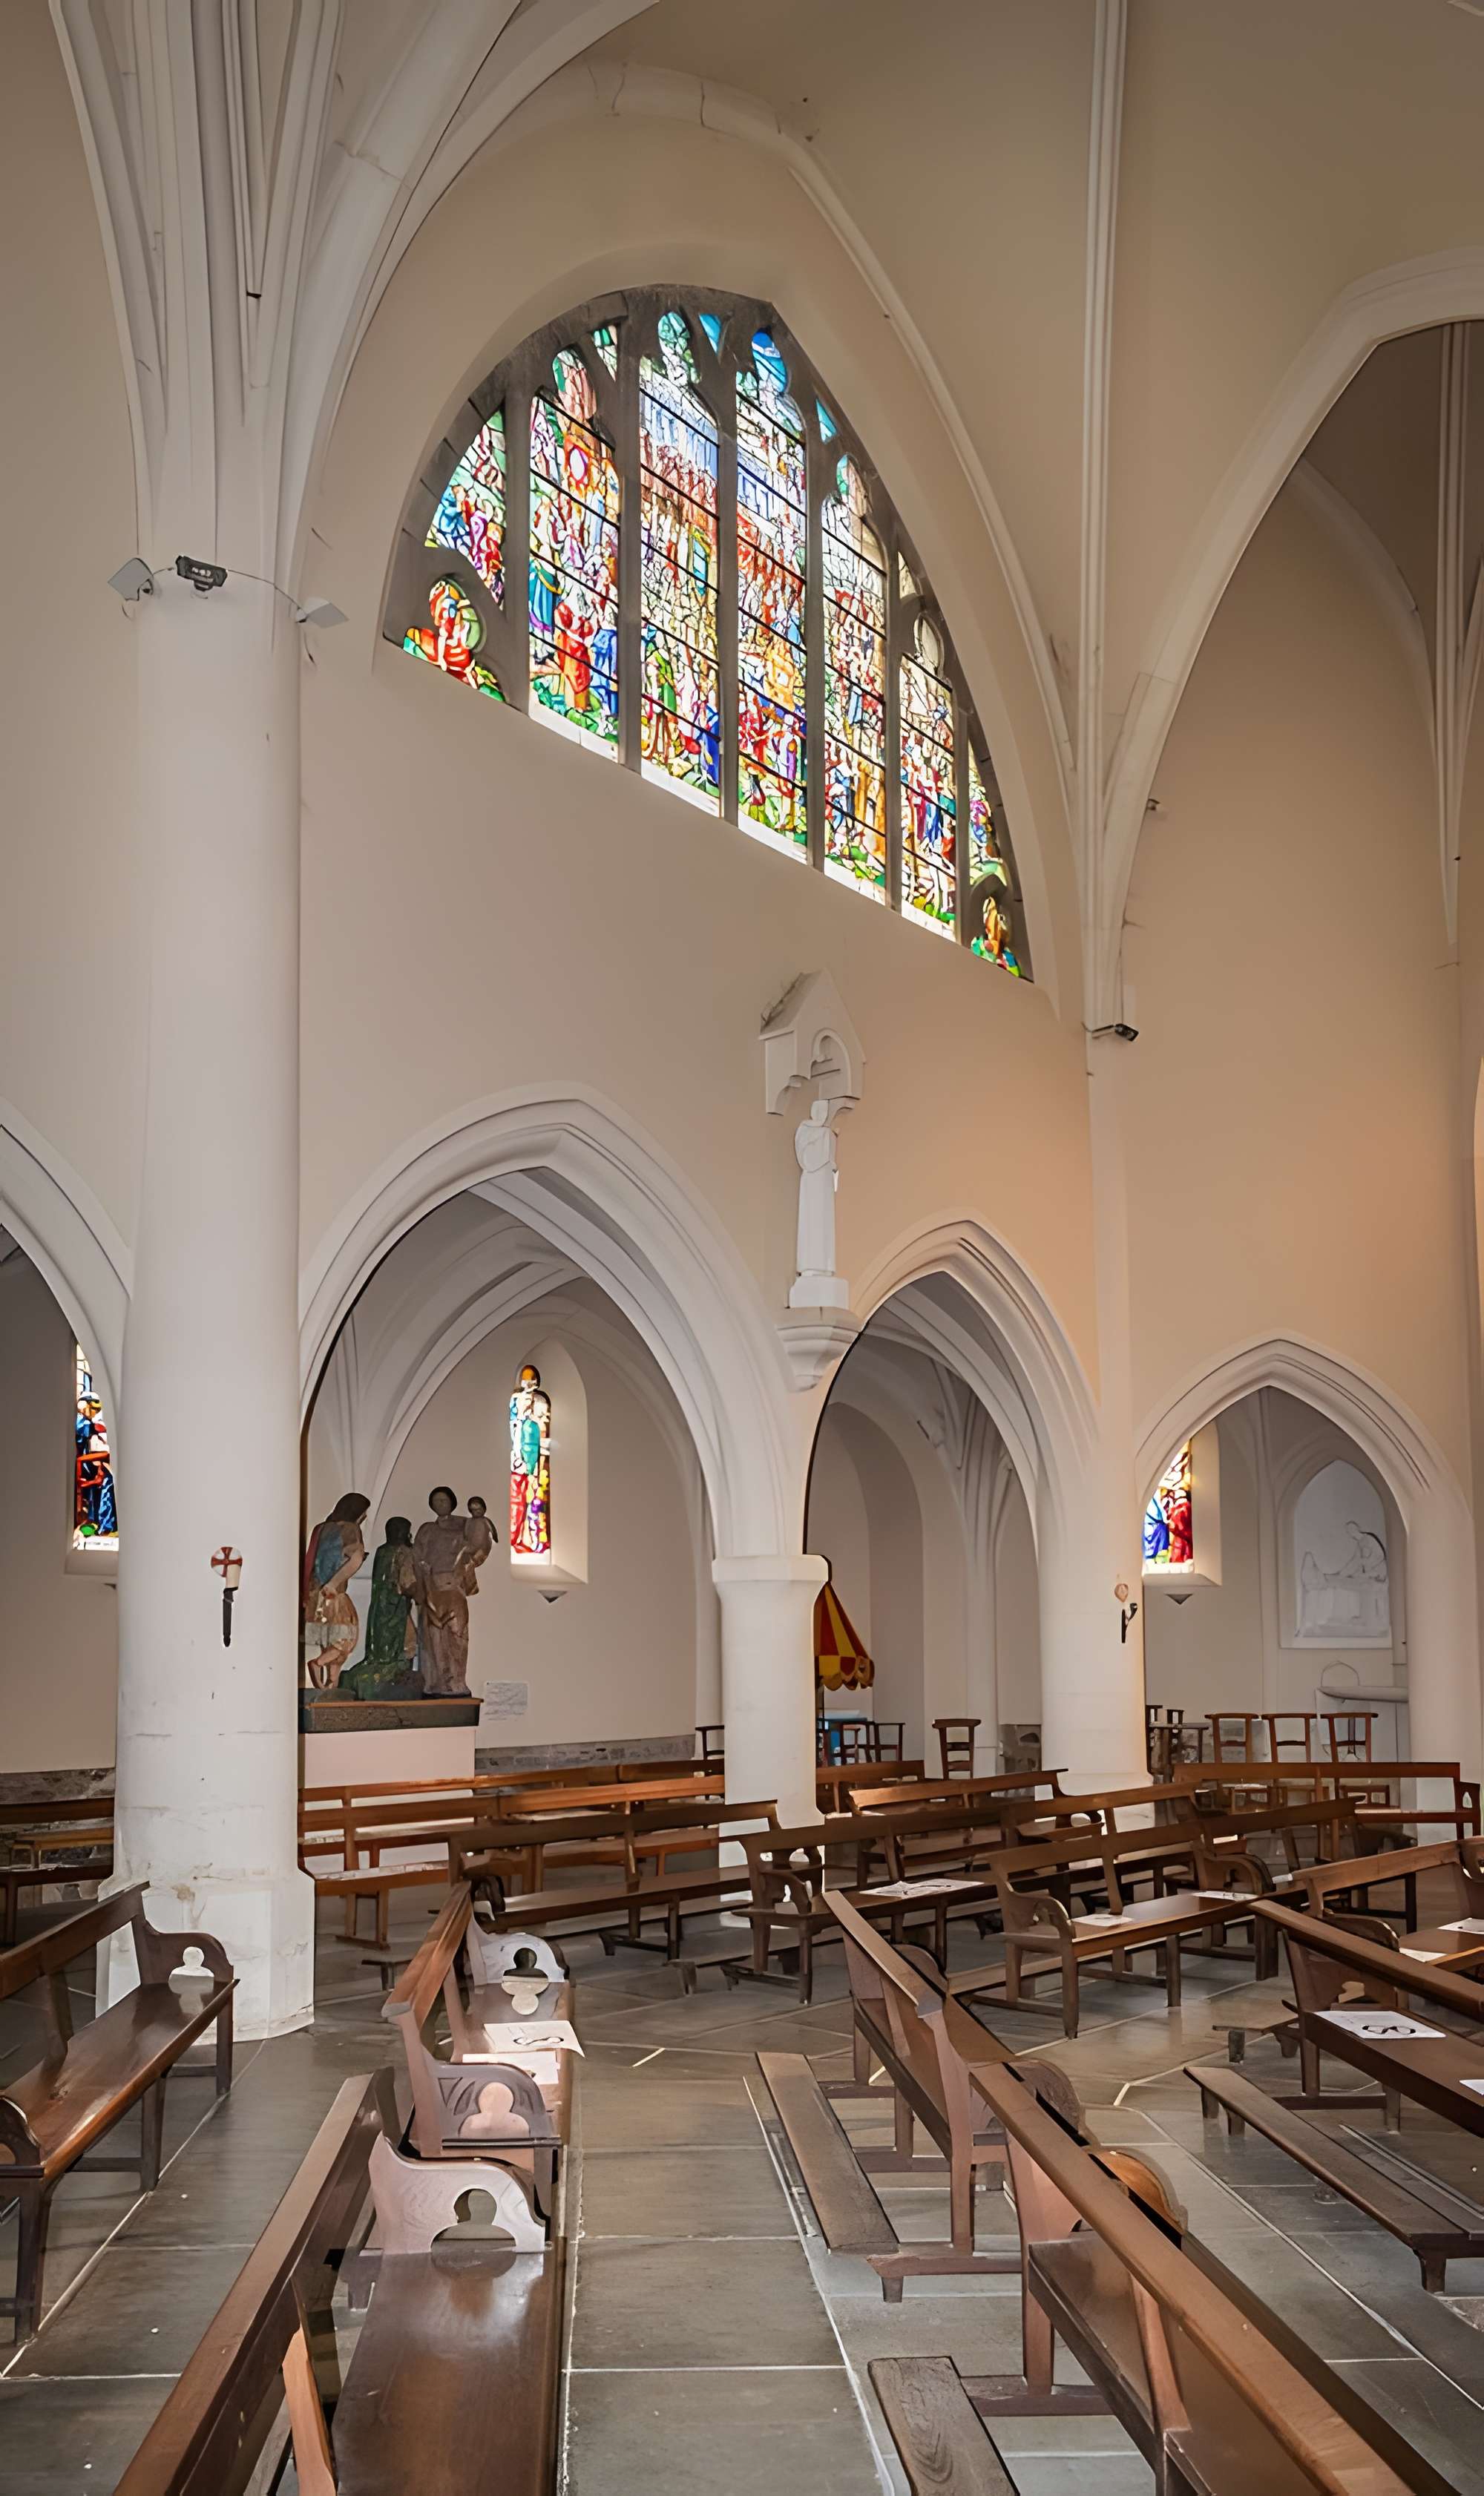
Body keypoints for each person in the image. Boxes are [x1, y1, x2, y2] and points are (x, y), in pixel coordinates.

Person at [341, 1517, 418, 1699]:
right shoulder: (404, 1551)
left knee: (383, 1631)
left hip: (381, 1601)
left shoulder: (382, 1551)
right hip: (395, 1601)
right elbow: (407, 1582)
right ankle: (389, 1662)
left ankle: (382, 1659)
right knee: (396, 1635)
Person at [413, 1488, 478, 1695]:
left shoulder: (463, 1527)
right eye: (436, 1501)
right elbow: (417, 1555)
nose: (441, 1504)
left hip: (454, 1588)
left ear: (452, 1502)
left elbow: (477, 1547)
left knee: (457, 1634)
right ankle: (436, 1682)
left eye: (444, 1500)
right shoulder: (427, 1530)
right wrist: (422, 1572)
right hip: (432, 1587)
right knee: (434, 1638)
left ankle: (456, 1680)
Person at [302, 1494, 370, 1689]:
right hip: (333, 1593)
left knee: (329, 1640)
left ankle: (331, 1686)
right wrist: (334, 1582)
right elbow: (355, 1557)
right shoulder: (349, 1528)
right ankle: (318, 1664)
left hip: (316, 1594)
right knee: (345, 1640)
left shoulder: (322, 1529)